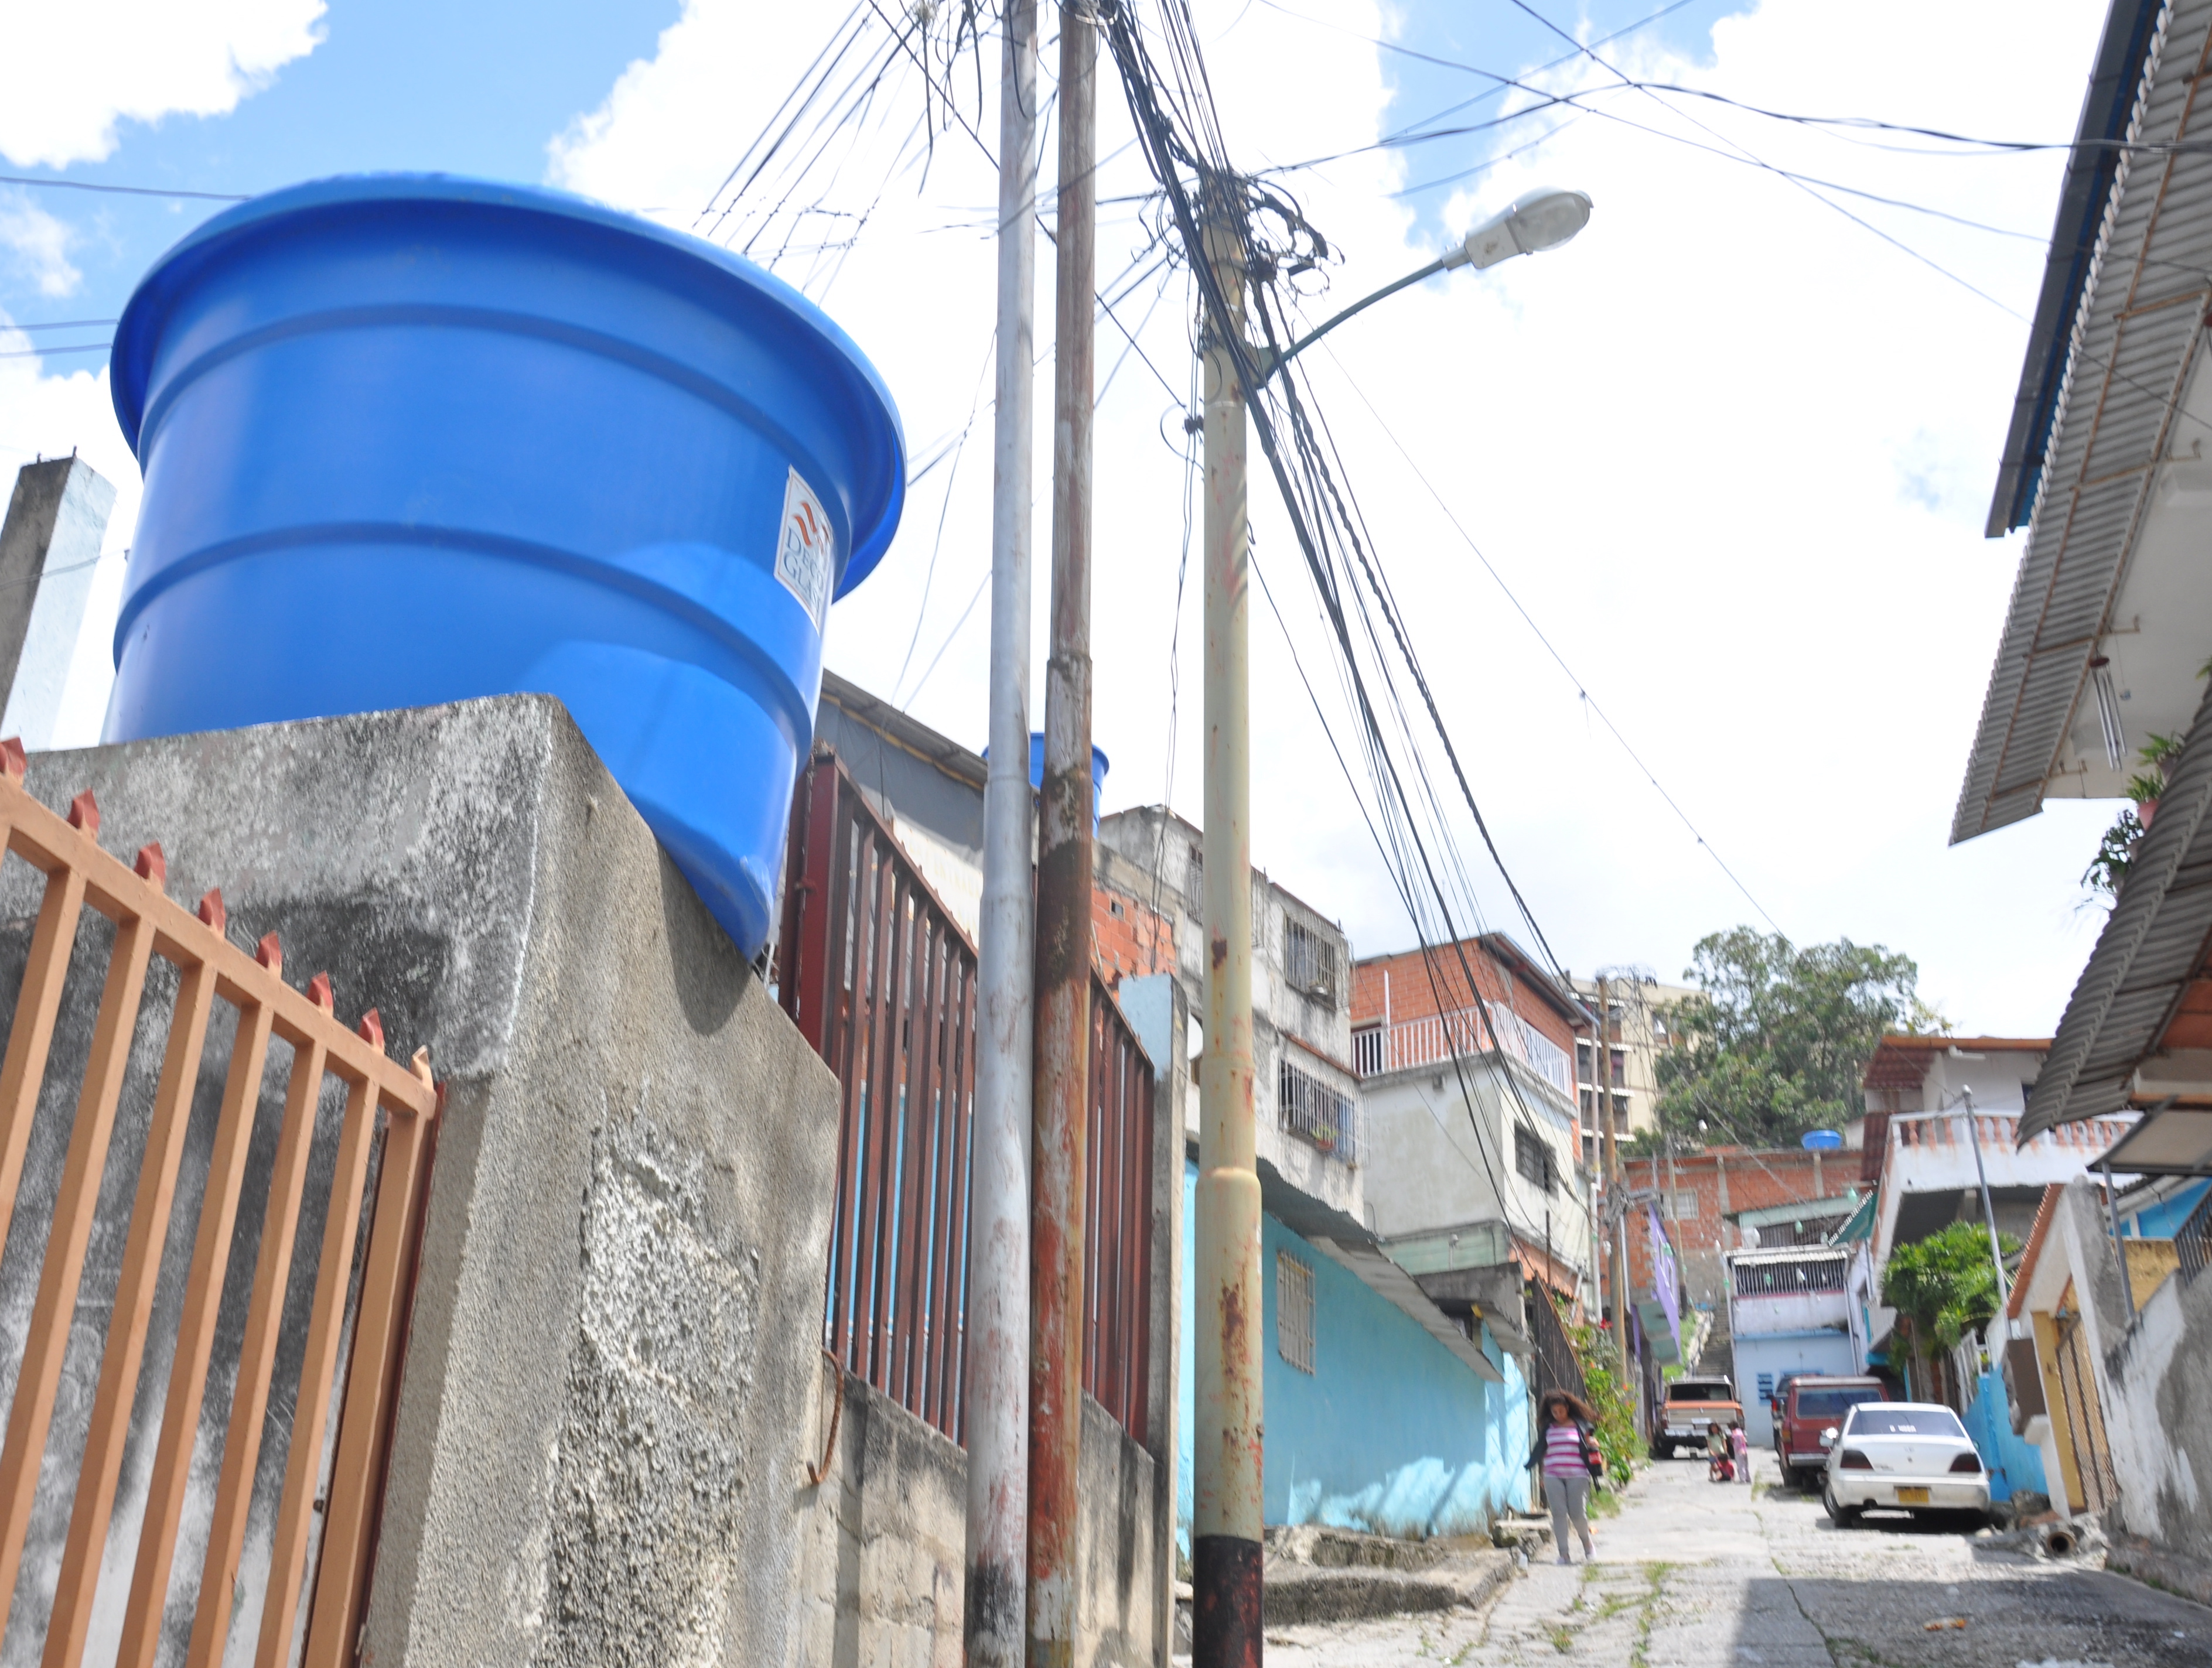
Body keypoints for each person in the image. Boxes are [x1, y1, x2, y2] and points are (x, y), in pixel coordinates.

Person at [1526, 1389, 1600, 1565]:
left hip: (1578, 1475)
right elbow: (1544, 1452)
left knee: (1577, 1514)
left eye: (1561, 1411)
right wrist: (1543, 1476)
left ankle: (1587, 1544)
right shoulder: (1548, 1429)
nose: (1558, 1415)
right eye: (1554, 1412)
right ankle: (1564, 1554)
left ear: (1567, 1408)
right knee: (1559, 1514)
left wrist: (1594, 1444)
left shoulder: (1581, 1426)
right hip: (1553, 1475)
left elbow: (1591, 1445)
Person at [1729, 1420, 1750, 1485]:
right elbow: (1745, 1442)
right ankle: (1748, 1478)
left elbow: (1732, 1441)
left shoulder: (1734, 1433)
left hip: (1738, 1451)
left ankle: (1743, 1479)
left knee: (1741, 1466)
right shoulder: (1741, 1432)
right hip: (1744, 1450)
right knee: (1746, 1466)